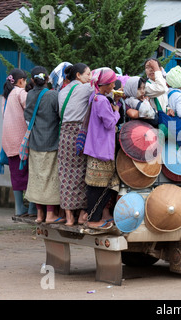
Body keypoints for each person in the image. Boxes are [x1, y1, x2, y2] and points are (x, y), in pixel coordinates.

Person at [83, 67, 121, 230]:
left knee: (95, 185)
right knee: (101, 187)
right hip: (102, 149)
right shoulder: (103, 101)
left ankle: (93, 216)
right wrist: (117, 111)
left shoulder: (95, 97)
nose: (113, 86)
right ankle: (93, 219)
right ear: (105, 84)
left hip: (94, 147)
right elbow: (110, 123)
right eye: (112, 83)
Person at [24, 67, 62, 224]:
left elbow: (27, 118)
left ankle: (39, 215)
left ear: (32, 80)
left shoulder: (30, 95)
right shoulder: (53, 95)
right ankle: (51, 215)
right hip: (51, 142)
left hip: (34, 143)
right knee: (51, 179)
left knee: (37, 179)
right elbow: (60, 115)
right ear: (47, 79)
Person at [57, 63, 93, 226]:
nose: (90, 77)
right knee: (82, 174)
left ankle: (69, 216)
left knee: (65, 174)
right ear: (78, 75)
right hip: (80, 134)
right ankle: (82, 215)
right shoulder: (86, 89)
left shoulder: (62, 91)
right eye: (88, 74)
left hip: (64, 134)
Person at [1, 69, 37, 217]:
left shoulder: (6, 96)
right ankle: (32, 209)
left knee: (16, 175)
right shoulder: (20, 93)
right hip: (22, 141)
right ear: (21, 80)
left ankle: (19, 207)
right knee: (32, 175)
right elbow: (32, 109)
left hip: (8, 141)